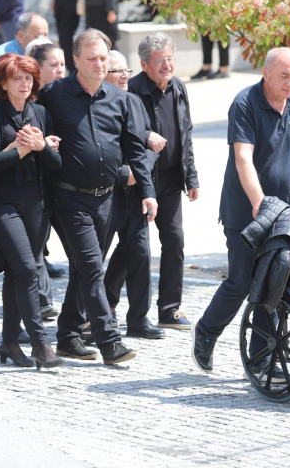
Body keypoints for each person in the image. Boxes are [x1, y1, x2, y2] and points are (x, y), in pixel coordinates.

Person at [191, 47, 290, 373]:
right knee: (241, 281)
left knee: (276, 282)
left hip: (284, 213)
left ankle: (262, 356)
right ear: (265, 72)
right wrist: (258, 201)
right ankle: (207, 330)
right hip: (245, 212)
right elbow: (243, 157)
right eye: (284, 75)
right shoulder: (245, 102)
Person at [37, 28, 157, 365]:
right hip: (68, 197)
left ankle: (68, 336)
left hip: (107, 199)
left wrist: (148, 193)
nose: (99, 64)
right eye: (92, 58)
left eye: (104, 58)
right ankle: (109, 340)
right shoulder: (54, 95)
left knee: (83, 269)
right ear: (75, 60)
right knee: (91, 267)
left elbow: (134, 150)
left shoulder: (120, 99)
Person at [0, 53, 65, 369]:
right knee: (29, 269)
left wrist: (42, 146)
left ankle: (9, 341)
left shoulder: (40, 113)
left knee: (19, 273)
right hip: (2, 205)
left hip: (37, 204)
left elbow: (56, 165)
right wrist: (23, 148)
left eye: (29, 77)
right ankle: (40, 344)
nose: (24, 83)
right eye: (17, 77)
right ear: (3, 82)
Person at [129, 33, 199, 329]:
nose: (167, 65)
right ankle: (123, 313)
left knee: (174, 241)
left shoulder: (179, 87)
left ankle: (169, 310)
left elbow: (187, 133)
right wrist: (145, 135)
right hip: (141, 182)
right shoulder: (132, 91)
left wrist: (192, 176)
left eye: (170, 58)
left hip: (171, 181)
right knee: (136, 250)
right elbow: (127, 132)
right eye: (161, 60)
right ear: (144, 64)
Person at [102, 50, 161, 338]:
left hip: (136, 193)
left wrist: (140, 175)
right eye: (117, 71)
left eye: (126, 70)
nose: (125, 76)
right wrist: (123, 174)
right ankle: (93, 316)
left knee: (139, 253)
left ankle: (138, 319)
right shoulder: (97, 104)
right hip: (106, 193)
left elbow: (149, 146)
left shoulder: (135, 102)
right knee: (94, 259)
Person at [29, 41, 67, 281]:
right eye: (54, 65)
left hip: (63, 179)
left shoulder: (67, 94)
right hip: (34, 185)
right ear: (38, 69)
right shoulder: (28, 100)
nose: (60, 70)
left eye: (63, 64)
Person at [0, 12, 49, 113]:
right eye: (39, 36)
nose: (44, 41)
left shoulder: (43, 58)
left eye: (46, 35)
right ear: (21, 36)